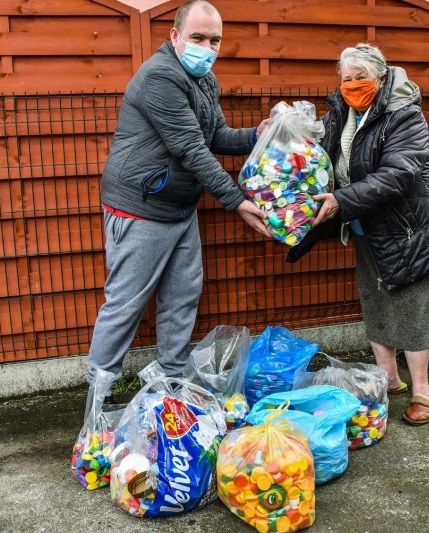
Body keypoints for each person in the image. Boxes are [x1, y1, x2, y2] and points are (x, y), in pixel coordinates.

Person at [86, 0, 270, 398]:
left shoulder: (205, 80)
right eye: (198, 37)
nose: (208, 47)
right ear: (175, 36)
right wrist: (236, 200)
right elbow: (190, 148)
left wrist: (259, 134)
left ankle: (171, 386)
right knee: (125, 306)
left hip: (179, 206)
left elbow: (216, 136)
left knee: (181, 299)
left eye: (215, 40)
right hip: (140, 206)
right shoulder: (160, 77)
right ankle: (97, 396)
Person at [288, 43, 429, 425]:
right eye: (346, 78)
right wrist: (286, 134)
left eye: (360, 77)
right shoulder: (341, 115)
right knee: (377, 303)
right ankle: (388, 380)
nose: (352, 85)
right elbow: (320, 155)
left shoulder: (404, 115)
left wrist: (342, 200)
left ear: (381, 78)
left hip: (410, 226)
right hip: (367, 226)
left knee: (414, 308)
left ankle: (423, 392)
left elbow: (398, 174)